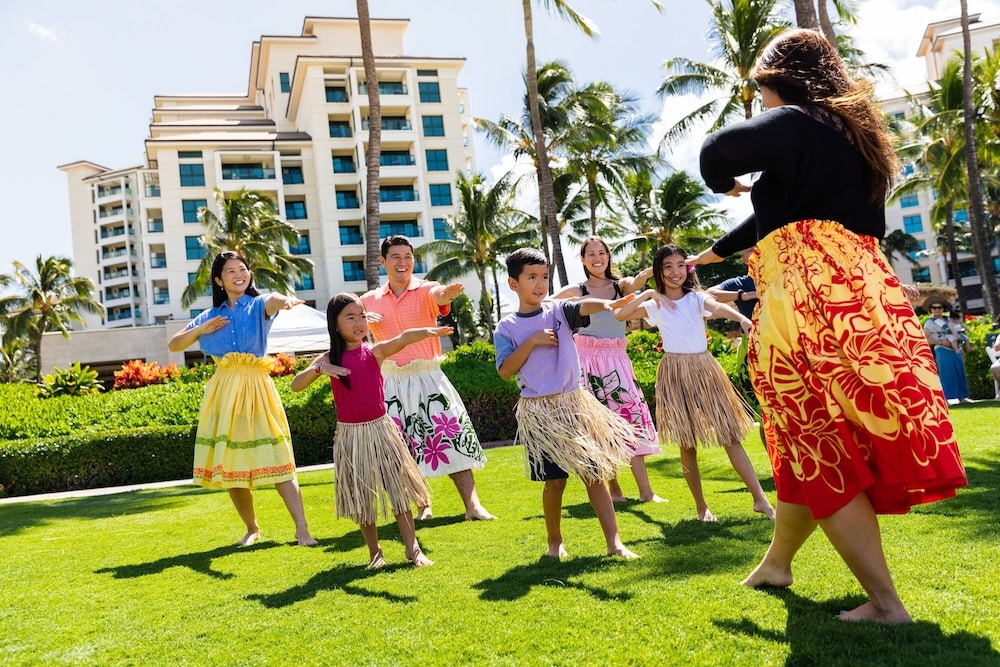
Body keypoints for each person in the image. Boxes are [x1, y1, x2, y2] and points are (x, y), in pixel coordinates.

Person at [692, 28, 967, 623]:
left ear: (780, 81)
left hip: (806, 300)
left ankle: (887, 604)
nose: (763, 102)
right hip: (864, 297)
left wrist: (725, 184)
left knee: (817, 438)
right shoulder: (857, 138)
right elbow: (785, 210)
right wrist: (714, 252)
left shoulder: (796, 119)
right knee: (808, 439)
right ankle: (776, 563)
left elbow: (717, 152)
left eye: (763, 89)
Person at [614, 244, 776, 523]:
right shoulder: (654, 304)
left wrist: (741, 318)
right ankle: (702, 507)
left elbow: (717, 307)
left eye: (680, 265)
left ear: (687, 269)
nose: (675, 272)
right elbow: (620, 315)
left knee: (730, 436)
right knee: (687, 444)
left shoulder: (696, 298)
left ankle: (760, 499)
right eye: (668, 267)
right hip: (674, 372)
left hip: (704, 369)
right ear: (659, 271)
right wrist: (650, 293)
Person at [495, 248, 639, 559]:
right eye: (531, 277)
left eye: (544, 277)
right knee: (555, 481)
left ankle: (615, 543)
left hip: (574, 405)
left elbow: (582, 305)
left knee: (594, 474)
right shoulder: (506, 327)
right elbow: (506, 371)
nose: (540, 283)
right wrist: (531, 341)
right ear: (513, 283)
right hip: (540, 412)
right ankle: (554, 541)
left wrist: (608, 304)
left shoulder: (558, 310)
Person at [168, 251, 316, 547]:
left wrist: (285, 300)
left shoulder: (258, 305)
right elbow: (174, 344)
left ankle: (302, 530)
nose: (239, 274)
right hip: (224, 393)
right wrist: (200, 329)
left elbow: (273, 300)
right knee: (231, 464)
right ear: (219, 280)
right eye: (231, 271)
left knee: (279, 458)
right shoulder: (210, 316)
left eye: (243, 268)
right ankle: (251, 528)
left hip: (257, 390)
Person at [290, 293, 445, 568]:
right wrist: (320, 369)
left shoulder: (374, 351)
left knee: (399, 491)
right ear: (335, 324)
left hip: (382, 430)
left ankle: (413, 549)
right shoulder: (329, 358)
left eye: (362, 315)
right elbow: (296, 385)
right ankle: (375, 553)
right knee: (363, 495)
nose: (359, 322)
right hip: (351, 436)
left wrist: (427, 332)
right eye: (350, 317)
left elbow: (402, 339)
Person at [361, 235, 494, 521]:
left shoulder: (426, 290)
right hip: (391, 381)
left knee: (451, 435)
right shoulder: (368, 300)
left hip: (428, 377)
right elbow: (351, 331)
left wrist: (446, 294)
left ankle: (472, 505)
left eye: (408, 256)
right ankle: (423, 505)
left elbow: (439, 297)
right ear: (383, 261)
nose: (403, 262)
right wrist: (362, 321)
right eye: (395, 257)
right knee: (403, 446)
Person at [549, 237, 664, 503]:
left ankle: (646, 492)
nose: (597, 258)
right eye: (591, 254)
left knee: (631, 419)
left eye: (602, 253)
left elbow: (636, 282)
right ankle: (615, 491)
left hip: (617, 360)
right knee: (599, 427)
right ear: (583, 259)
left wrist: (652, 270)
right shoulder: (576, 290)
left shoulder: (619, 286)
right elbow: (547, 303)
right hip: (585, 360)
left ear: (609, 256)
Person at [922, 298, 973, 404]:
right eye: (934, 308)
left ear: (943, 309)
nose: (937, 310)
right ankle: (945, 399)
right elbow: (925, 338)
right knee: (946, 374)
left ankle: (963, 397)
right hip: (942, 350)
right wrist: (940, 342)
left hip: (956, 350)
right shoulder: (930, 323)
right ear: (930, 309)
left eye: (939, 307)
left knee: (960, 372)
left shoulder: (949, 320)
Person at [706, 246, 759, 320]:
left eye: (759, 248)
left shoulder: (779, 279)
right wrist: (743, 295)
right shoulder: (739, 284)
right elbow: (709, 294)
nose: (756, 251)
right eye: (750, 250)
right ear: (743, 260)